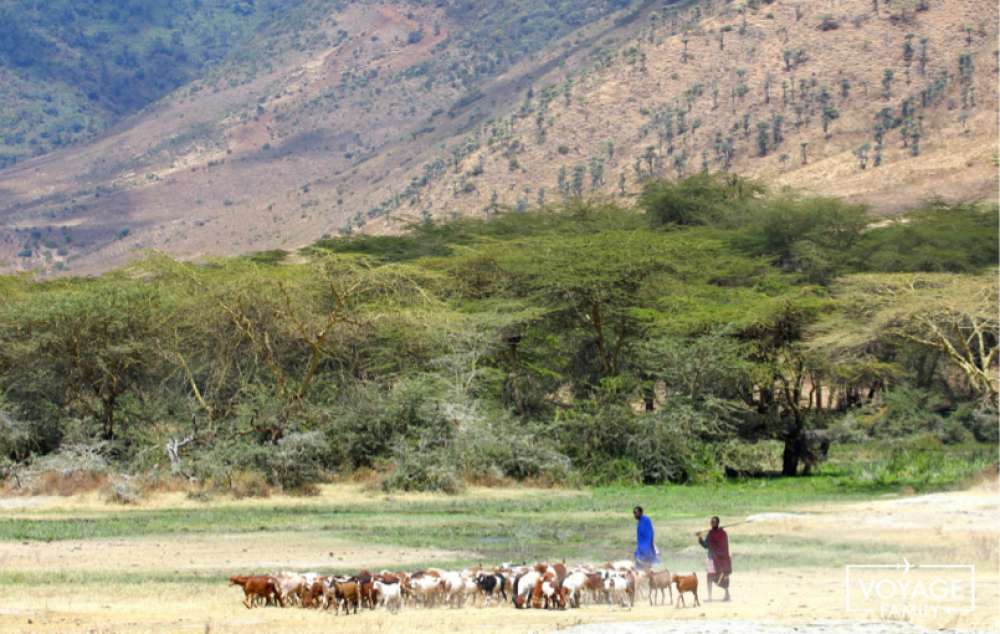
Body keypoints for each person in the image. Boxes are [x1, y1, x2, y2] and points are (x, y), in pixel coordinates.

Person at [698, 516, 732, 601]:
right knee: (709, 576)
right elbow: (706, 545)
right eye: (711, 522)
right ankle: (710, 597)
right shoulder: (711, 533)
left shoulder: (723, 533)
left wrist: (700, 538)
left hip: (719, 559)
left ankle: (727, 595)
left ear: (717, 523)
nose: (712, 523)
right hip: (712, 558)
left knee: (722, 576)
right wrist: (700, 538)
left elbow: (724, 547)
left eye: (714, 522)